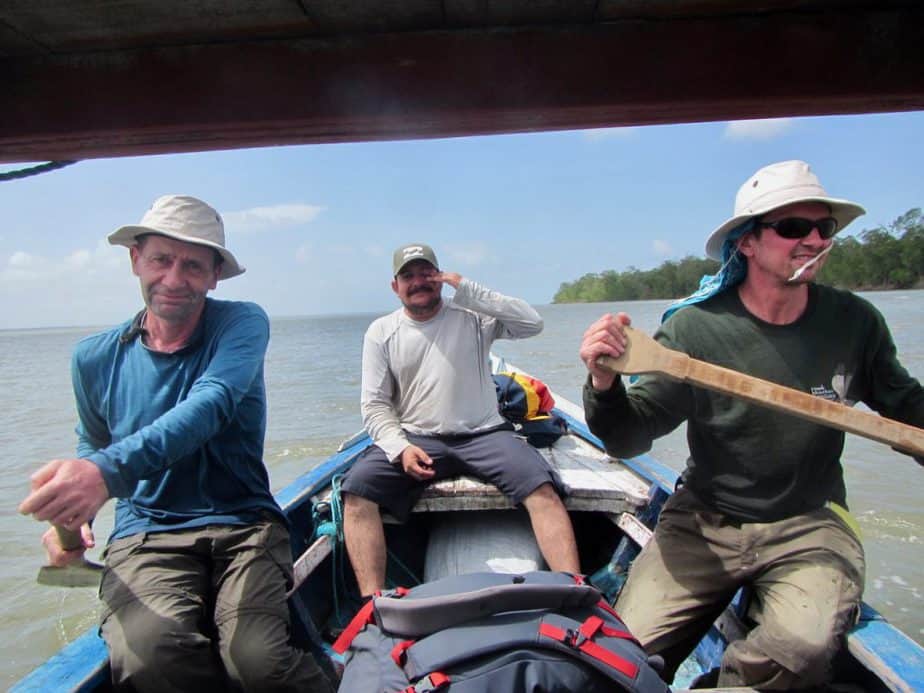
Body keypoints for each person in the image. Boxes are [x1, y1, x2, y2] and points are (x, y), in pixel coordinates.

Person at [579, 160, 924, 689]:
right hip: (705, 520)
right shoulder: (696, 329)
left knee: (802, 651)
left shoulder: (854, 322)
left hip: (808, 522)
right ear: (747, 243)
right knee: (621, 658)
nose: (812, 239)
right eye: (791, 228)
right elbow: (630, 434)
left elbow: (904, 403)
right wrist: (605, 384)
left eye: (822, 228)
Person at [18, 195, 333, 693]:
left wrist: (103, 475)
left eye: (192, 265)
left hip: (243, 524)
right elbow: (94, 439)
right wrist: (75, 512)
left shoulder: (240, 323)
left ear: (214, 277)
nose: (174, 278)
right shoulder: (94, 358)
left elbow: (212, 403)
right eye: (161, 260)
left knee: (257, 661)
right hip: (147, 532)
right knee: (153, 660)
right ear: (135, 260)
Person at [341, 243, 580, 598]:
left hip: (485, 434)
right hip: (417, 439)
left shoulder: (472, 316)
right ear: (395, 286)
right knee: (357, 494)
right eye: (408, 276)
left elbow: (532, 322)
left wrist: (467, 288)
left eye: (427, 273)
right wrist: (400, 448)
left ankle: (575, 592)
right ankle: (372, 605)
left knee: (542, 489)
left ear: (440, 277)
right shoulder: (381, 332)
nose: (418, 282)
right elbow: (375, 406)